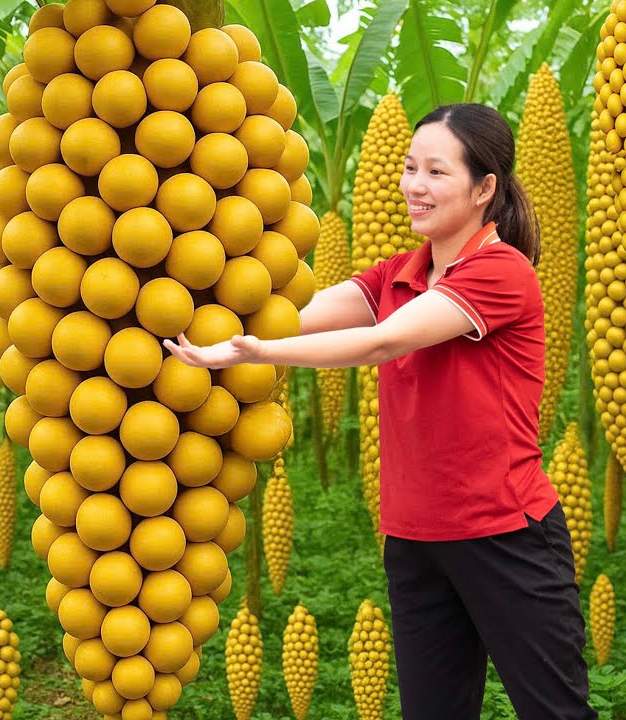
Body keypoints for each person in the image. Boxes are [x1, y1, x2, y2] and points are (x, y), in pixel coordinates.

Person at [163, 103, 597, 719]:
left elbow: (383, 340)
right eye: (409, 167)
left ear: (484, 189)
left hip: (504, 534)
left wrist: (254, 351)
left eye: (436, 172)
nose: (414, 186)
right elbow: (294, 310)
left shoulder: (501, 272)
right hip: (415, 539)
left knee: (555, 713)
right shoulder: (401, 271)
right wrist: (200, 300)